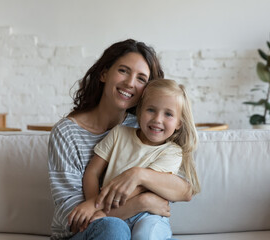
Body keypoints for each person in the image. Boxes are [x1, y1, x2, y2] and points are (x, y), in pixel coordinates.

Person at [48, 39, 193, 240]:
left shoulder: (148, 127)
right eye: (123, 71)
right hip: (82, 233)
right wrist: (141, 203)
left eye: (141, 78)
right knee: (113, 228)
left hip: (129, 228)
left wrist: (138, 175)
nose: (130, 83)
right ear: (104, 73)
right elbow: (73, 217)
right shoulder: (67, 133)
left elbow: (183, 190)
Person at [68, 79, 200, 239]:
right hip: (110, 215)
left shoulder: (172, 152)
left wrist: (101, 209)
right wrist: (93, 204)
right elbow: (93, 172)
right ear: (139, 111)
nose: (158, 119)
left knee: (146, 235)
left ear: (179, 123)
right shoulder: (119, 134)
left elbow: (140, 188)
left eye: (168, 114)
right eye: (151, 110)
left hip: (148, 215)